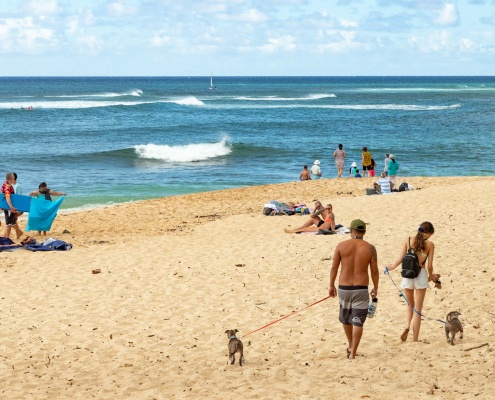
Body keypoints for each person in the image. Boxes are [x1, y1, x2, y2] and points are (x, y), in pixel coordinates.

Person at [329, 219, 379, 359]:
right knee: (358, 320)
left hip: (344, 287)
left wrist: (331, 285)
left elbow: (334, 267)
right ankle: (353, 352)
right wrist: (376, 287)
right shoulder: (370, 248)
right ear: (364, 232)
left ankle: (350, 344)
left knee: (346, 319)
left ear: (351, 231)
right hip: (361, 287)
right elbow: (374, 271)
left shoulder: (341, 246)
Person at [386, 222, 440, 342]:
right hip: (420, 274)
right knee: (418, 310)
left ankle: (407, 326)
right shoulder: (430, 245)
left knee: (410, 305)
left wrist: (392, 266)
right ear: (429, 233)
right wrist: (432, 276)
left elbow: (401, 258)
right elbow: (430, 266)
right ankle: (415, 339)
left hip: (408, 274)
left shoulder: (408, 240)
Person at [2, 172, 18, 239]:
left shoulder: (6, 183)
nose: (14, 178)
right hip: (8, 207)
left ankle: (5, 237)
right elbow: (7, 197)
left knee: (10, 222)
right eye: (13, 177)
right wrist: (11, 207)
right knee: (9, 224)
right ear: (11, 178)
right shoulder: (7, 187)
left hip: (6, 206)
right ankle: (6, 239)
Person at [11, 172, 23, 239]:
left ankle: (18, 233)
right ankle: (19, 232)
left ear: (14, 178)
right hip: (11, 205)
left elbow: (19, 197)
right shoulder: (11, 186)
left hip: (16, 206)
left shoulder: (18, 186)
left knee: (13, 221)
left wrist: (18, 209)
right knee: (12, 221)